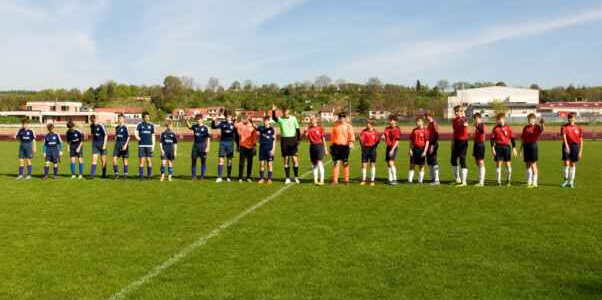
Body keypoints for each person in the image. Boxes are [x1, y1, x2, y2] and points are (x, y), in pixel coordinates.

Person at [272, 103, 301, 184]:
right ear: (282, 112)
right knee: (286, 159)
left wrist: (298, 141)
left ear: (288, 111)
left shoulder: (293, 118)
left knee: (294, 159)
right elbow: (274, 118)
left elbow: (298, 130)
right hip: (284, 140)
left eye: (286, 111)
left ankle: (296, 177)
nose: (285, 112)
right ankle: (287, 178)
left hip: (293, 140)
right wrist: (274, 110)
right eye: (284, 111)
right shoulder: (280, 119)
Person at [491, 113, 517, 186]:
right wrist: (492, 148)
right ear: (497, 120)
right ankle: (498, 181)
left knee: (508, 164)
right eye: (499, 119)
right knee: (498, 164)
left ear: (504, 120)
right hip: (498, 147)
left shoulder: (508, 128)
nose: (501, 121)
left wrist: (514, 148)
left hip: (506, 147)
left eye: (502, 119)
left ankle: (508, 180)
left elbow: (512, 139)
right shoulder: (495, 128)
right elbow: (492, 139)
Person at [520, 114, 544, 188]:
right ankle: (529, 181)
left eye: (532, 119)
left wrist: (542, 123)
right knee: (527, 164)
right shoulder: (525, 128)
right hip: (526, 146)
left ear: (534, 119)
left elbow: (542, 129)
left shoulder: (537, 127)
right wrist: (520, 149)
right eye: (529, 119)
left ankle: (535, 182)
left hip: (533, 146)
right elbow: (523, 139)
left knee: (533, 164)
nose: (530, 120)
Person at [330, 112, 355, 185]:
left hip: (345, 147)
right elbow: (332, 136)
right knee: (336, 163)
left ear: (345, 118)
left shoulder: (349, 126)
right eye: (340, 117)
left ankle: (346, 180)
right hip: (336, 147)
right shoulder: (335, 126)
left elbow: (352, 135)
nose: (342, 119)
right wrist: (331, 146)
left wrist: (351, 142)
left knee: (345, 163)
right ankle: (335, 180)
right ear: (339, 118)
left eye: (343, 117)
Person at [211, 111, 236, 182]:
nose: (228, 118)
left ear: (231, 117)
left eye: (229, 116)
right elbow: (213, 127)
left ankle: (228, 177)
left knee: (229, 161)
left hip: (230, 143)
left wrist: (237, 144)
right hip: (223, 143)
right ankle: (219, 177)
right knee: (221, 160)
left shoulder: (234, 124)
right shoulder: (222, 123)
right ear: (225, 117)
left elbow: (237, 134)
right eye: (227, 116)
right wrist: (213, 120)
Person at [561, 112, 584, 188]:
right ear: (568, 118)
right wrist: (567, 146)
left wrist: (580, 151)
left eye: (573, 117)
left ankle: (571, 182)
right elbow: (564, 137)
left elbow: (581, 140)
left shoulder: (579, 128)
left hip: (575, 146)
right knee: (566, 163)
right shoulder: (564, 127)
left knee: (572, 164)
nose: (571, 119)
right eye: (570, 117)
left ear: (575, 118)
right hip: (566, 145)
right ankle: (565, 181)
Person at [186, 114, 210, 181]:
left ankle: (202, 177)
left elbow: (208, 138)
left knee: (203, 161)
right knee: (193, 161)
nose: (198, 121)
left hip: (202, 146)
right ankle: (193, 177)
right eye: (197, 120)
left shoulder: (205, 128)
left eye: (199, 120)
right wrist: (186, 120)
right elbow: (189, 126)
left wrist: (208, 147)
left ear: (202, 120)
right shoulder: (195, 127)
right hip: (195, 146)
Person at [304, 115, 328, 185]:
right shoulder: (309, 128)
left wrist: (325, 149)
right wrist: (305, 131)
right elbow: (305, 136)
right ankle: (315, 180)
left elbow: (323, 139)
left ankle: (322, 180)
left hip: (319, 146)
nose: (312, 120)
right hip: (312, 146)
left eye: (313, 119)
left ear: (316, 120)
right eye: (311, 119)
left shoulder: (320, 128)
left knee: (320, 162)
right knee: (314, 164)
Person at [235, 115, 258, 182]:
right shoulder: (241, 124)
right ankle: (240, 177)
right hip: (242, 146)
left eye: (247, 118)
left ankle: (248, 177)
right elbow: (235, 125)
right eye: (245, 118)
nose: (245, 119)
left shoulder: (252, 126)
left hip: (250, 147)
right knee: (241, 163)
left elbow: (254, 136)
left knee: (250, 163)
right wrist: (238, 117)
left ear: (249, 119)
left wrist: (254, 146)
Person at [451, 105, 469, 186]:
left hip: (463, 141)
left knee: (462, 160)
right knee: (453, 160)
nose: (456, 113)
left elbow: (465, 122)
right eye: (455, 111)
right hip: (456, 141)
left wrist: (464, 118)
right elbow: (456, 129)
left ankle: (464, 181)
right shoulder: (454, 120)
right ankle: (458, 178)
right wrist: (452, 142)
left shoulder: (464, 119)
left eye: (458, 111)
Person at [408, 117, 430, 184]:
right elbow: (411, 141)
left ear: (422, 122)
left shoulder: (425, 131)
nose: (417, 123)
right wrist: (410, 149)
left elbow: (427, 142)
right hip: (414, 149)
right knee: (412, 165)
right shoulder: (414, 130)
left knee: (421, 165)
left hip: (422, 149)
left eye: (419, 121)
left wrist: (425, 151)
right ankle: (410, 181)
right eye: (417, 121)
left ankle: (420, 181)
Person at [256, 115, 277, 184]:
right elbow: (255, 127)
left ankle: (269, 179)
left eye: (267, 121)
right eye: (264, 121)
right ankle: (261, 178)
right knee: (262, 164)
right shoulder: (261, 128)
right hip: (262, 148)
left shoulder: (272, 129)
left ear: (269, 121)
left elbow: (274, 140)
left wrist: (273, 149)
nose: (265, 122)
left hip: (269, 149)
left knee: (269, 164)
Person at [135, 112, 155, 179]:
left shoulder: (151, 125)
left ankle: (149, 176)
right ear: (143, 118)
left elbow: (153, 136)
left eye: (148, 117)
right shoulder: (139, 125)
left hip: (149, 145)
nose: (147, 118)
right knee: (141, 160)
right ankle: (141, 176)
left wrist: (153, 146)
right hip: (141, 145)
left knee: (149, 160)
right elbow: (135, 132)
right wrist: (138, 138)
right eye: (146, 117)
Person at [359, 120, 379, 186]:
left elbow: (377, 141)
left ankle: (372, 181)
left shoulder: (375, 132)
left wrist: (374, 148)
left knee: (372, 165)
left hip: (373, 149)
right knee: (364, 165)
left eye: (368, 123)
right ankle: (363, 180)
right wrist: (362, 147)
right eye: (366, 123)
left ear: (371, 124)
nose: (367, 124)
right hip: (365, 149)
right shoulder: (363, 131)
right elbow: (361, 140)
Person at [383, 115, 401, 185]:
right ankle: (390, 179)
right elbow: (384, 135)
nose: (390, 121)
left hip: (394, 147)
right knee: (388, 163)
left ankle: (395, 179)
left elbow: (397, 141)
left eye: (391, 120)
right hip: (388, 147)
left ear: (395, 121)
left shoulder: (397, 129)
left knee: (391, 162)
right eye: (389, 120)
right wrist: (383, 136)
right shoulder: (387, 128)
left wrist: (392, 150)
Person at [112, 114, 130, 179]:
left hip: (124, 144)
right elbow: (116, 135)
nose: (120, 120)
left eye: (121, 118)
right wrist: (115, 138)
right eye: (119, 118)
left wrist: (125, 145)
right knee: (114, 159)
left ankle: (125, 174)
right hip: (117, 145)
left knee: (124, 159)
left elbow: (128, 137)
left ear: (123, 119)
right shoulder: (116, 127)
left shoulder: (126, 127)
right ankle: (116, 174)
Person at [425, 112, 440, 185]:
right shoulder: (429, 124)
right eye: (426, 116)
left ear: (430, 116)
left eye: (427, 116)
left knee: (434, 161)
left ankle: (437, 180)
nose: (426, 117)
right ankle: (432, 179)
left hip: (433, 144)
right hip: (429, 144)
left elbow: (436, 135)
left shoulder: (434, 123)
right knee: (429, 162)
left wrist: (432, 145)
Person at [473, 113, 486, 186]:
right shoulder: (476, 126)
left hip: (480, 145)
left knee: (481, 162)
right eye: (475, 119)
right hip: (476, 144)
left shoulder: (481, 125)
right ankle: (480, 179)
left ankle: (482, 181)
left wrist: (476, 126)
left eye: (477, 118)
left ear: (480, 119)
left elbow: (482, 131)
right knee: (477, 162)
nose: (476, 120)